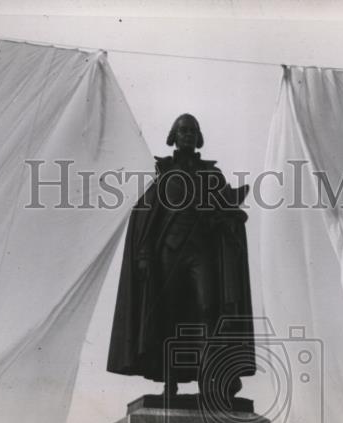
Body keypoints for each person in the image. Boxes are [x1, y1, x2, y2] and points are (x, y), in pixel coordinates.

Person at [106, 113, 254, 404]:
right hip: (169, 254)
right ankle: (169, 384)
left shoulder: (212, 175)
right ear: (174, 135)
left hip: (202, 254)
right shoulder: (162, 173)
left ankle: (211, 381)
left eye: (192, 130)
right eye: (183, 130)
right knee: (168, 317)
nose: (187, 134)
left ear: (198, 137)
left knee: (208, 311)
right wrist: (145, 254)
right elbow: (147, 217)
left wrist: (231, 214)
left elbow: (227, 205)